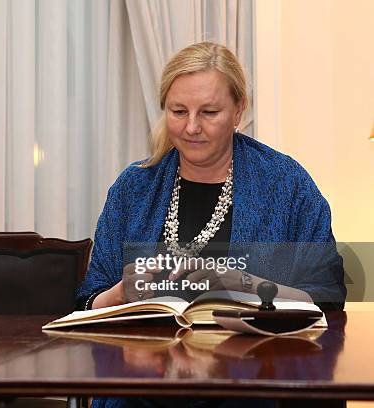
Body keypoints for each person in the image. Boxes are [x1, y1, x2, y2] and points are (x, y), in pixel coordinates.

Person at [76, 42, 346, 408]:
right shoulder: (134, 187)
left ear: (239, 111)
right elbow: (88, 301)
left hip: (254, 385)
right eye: (178, 111)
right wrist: (119, 295)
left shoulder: (286, 184)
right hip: (144, 388)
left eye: (209, 112)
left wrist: (242, 286)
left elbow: (327, 296)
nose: (191, 127)